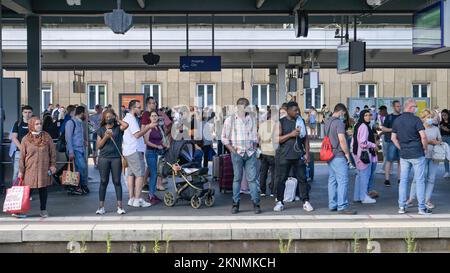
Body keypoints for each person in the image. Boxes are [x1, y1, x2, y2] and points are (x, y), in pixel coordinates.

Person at [391, 98, 431, 215]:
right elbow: (423, 136)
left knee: (403, 181)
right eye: (415, 106)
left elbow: (393, 138)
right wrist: (425, 148)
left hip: (404, 155)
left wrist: (400, 147)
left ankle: (402, 207)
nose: (416, 108)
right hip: (417, 154)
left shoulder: (397, 121)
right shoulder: (416, 120)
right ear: (410, 107)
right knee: (420, 180)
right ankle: (421, 208)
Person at [222, 98, 260, 214]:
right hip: (237, 153)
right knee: (237, 179)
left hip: (250, 153)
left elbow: (255, 136)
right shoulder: (230, 120)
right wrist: (232, 150)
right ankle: (235, 204)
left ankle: (256, 204)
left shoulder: (252, 119)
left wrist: (254, 146)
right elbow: (224, 137)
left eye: (246, 106)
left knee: (252, 180)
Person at [273, 101, 313, 212]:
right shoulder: (281, 122)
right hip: (285, 155)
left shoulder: (301, 121)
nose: (297, 112)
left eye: (298, 110)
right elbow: (276, 139)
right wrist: (290, 134)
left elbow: (305, 139)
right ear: (288, 111)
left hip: (299, 154)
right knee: (282, 179)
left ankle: (305, 201)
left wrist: (307, 153)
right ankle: (280, 202)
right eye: (295, 110)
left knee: (303, 179)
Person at [17, 117, 56, 218]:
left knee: (43, 189)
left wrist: (52, 165)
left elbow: (52, 153)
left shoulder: (47, 137)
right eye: (36, 124)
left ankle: (43, 210)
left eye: (40, 124)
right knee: (28, 191)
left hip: (43, 168)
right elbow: (22, 157)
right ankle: (22, 211)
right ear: (31, 125)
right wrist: (21, 171)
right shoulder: (25, 139)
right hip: (30, 169)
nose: (39, 126)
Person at [123, 100, 156, 208]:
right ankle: (137, 199)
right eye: (138, 107)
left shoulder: (128, 118)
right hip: (134, 150)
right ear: (133, 108)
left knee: (131, 174)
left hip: (129, 150)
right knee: (140, 175)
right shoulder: (131, 119)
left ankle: (132, 198)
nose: (140, 109)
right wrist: (148, 127)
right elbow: (137, 135)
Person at [95, 109, 129, 215]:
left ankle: (120, 207)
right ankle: (101, 207)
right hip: (104, 158)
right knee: (103, 181)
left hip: (116, 158)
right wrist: (106, 136)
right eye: (107, 117)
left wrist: (118, 119)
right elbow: (98, 146)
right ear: (104, 119)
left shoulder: (118, 128)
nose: (109, 118)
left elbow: (126, 125)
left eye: (111, 116)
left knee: (117, 181)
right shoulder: (101, 130)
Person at [324, 103, 356, 214]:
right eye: (344, 113)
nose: (344, 115)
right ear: (341, 112)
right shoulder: (339, 123)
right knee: (343, 181)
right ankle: (342, 206)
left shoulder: (327, 122)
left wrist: (344, 133)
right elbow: (341, 140)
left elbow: (333, 136)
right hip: (338, 155)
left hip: (330, 155)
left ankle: (332, 204)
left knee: (332, 180)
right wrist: (347, 154)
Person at [407, 109, 441, 210]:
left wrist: (436, 142)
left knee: (431, 179)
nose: (430, 119)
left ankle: (427, 200)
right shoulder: (420, 128)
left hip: (435, 156)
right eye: (428, 117)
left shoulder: (436, 129)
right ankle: (411, 199)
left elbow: (440, 140)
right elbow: (418, 141)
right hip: (421, 155)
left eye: (431, 117)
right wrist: (430, 142)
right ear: (423, 118)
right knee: (417, 178)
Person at [351, 110, 379, 204]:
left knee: (359, 176)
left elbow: (354, 141)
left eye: (369, 115)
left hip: (357, 154)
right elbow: (363, 143)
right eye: (366, 115)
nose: (368, 117)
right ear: (362, 116)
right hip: (364, 155)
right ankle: (364, 197)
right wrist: (373, 145)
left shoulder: (358, 125)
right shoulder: (364, 127)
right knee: (364, 177)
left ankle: (357, 196)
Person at [144, 110, 168, 205]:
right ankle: (150, 196)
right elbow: (146, 141)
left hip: (158, 152)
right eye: (152, 116)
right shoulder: (148, 127)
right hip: (150, 153)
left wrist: (164, 145)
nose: (154, 117)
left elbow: (160, 140)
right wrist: (157, 146)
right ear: (149, 118)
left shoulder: (158, 127)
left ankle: (153, 194)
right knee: (153, 174)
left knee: (157, 174)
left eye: (155, 116)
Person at [66, 106, 89, 195]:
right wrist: (71, 151)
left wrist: (84, 141)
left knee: (79, 169)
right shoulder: (71, 122)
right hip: (75, 149)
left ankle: (78, 186)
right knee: (81, 167)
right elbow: (69, 138)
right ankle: (78, 186)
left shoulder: (79, 123)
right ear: (82, 113)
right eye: (85, 113)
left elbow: (77, 136)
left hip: (80, 149)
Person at [381, 100, 402, 186]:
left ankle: (400, 179)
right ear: (393, 107)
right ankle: (387, 179)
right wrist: (393, 130)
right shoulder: (389, 117)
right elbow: (383, 128)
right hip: (390, 141)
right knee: (389, 160)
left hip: (401, 141)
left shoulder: (402, 117)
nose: (399, 107)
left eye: (400, 106)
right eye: (397, 106)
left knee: (400, 161)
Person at [11, 105, 33, 185]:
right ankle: (15, 193)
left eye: (29, 112)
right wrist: (22, 148)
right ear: (22, 113)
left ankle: (27, 194)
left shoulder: (35, 123)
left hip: (32, 153)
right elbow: (14, 137)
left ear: (32, 113)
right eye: (25, 112)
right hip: (19, 152)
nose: (27, 114)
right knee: (17, 172)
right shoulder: (18, 123)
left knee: (29, 174)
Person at [258, 107, 277, 197]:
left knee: (263, 172)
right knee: (274, 172)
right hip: (273, 152)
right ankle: (273, 191)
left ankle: (262, 191)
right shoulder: (276, 125)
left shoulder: (262, 125)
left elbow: (258, 139)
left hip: (263, 151)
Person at [89, 104, 103, 169]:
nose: (102, 109)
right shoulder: (103, 116)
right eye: (101, 108)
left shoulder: (92, 117)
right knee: (96, 149)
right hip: (99, 133)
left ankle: (96, 164)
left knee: (96, 149)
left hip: (97, 133)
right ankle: (96, 164)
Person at [439, 109, 450, 178]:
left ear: (448, 114)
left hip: (449, 138)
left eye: (445, 115)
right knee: (445, 156)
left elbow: (448, 130)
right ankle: (447, 171)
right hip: (443, 139)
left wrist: (445, 129)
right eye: (442, 115)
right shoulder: (441, 123)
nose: (443, 117)